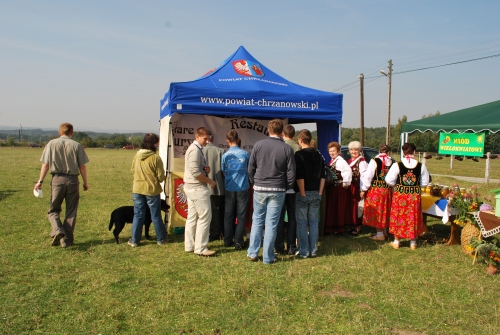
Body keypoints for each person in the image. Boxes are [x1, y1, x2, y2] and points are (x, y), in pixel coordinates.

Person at [247, 119, 296, 264]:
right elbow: (291, 172)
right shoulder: (287, 148)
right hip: (278, 189)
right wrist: (286, 186)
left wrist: (254, 182)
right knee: (271, 223)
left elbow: (251, 168)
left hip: (260, 188)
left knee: (257, 221)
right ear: (282, 132)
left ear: (268, 130)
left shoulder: (258, 145)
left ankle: (253, 253)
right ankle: (268, 257)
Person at [34, 122, 89, 248]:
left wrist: (40, 181)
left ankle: (58, 230)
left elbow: (45, 164)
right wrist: (85, 182)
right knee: (71, 210)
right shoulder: (77, 145)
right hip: (73, 180)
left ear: (59, 132)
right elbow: (82, 166)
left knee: (53, 210)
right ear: (72, 132)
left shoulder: (51, 144)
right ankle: (66, 240)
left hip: (57, 179)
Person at [385, 142, 430, 250]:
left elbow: (388, 180)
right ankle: (413, 242)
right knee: (412, 216)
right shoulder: (421, 166)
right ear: (414, 152)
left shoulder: (397, 165)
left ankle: (396, 241)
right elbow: (425, 183)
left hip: (400, 194)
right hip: (414, 195)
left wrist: (397, 185)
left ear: (403, 152)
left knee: (398, 216)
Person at [128, 133, 167, 247]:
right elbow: (160, 177)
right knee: (155, 215)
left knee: (138, 214)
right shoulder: (155, 158)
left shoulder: (137, 155)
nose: (157, 145)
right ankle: (161, 239)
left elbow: (132, 170)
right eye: (157, 143)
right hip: (151, 190)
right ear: (153, 144)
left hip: (137, 189)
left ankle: (135, 240)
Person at [183, 127, 217, 256]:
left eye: (209, 138)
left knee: (192, 217)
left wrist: (205, 168)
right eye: (205, 138)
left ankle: (190, 245)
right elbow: (195, 173)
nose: (207, 141)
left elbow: (197, 170)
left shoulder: (197, 149)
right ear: (197, 136)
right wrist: (210, 181)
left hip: (192, 187)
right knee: (204, 217)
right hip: (197, 187)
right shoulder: (195, 150)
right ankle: (201, 248)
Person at [294, 129, 326, 258]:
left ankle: (304, 251)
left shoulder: (299, 155)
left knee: (301, 223)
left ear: (300, 140)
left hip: (304, 192)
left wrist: (302, 193)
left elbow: (299, 176)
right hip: (316, 192)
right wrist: (320, 192)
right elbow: (323, 175)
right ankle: (313, 250)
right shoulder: (319, 155)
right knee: (313, 222)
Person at [221, 130, 250, 250]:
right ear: (238, 140)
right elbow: (250, 170)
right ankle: (238, 241)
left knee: (228, 215)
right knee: (241, 215)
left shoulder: (225, 156)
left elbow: (223, 171)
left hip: (229, 187)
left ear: (227, 141)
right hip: (243, 187)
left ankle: (227, 240)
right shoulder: (246, 154)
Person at [360, 144, 395, 240]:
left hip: (376, 190)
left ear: (380, 151)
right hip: (387, 190)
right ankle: (384, 231)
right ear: (389, 152)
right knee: (385, 209)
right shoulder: (392, 161)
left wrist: (364, 189)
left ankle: (379, 234)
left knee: (377, 210)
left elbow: (368, 176)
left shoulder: (374, 161)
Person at [275, 124, 301, 255]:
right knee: (292, 218)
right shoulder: (298, 148)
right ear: (294, 135)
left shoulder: (279, 147)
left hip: (279, 187)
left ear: (283, 134)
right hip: (294, 187)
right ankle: (291, 245)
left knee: (279, 218)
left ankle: (279, 247)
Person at [324, 142, 352, 235]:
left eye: (333, 151)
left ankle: (338, 228)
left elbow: (347, 171)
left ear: (338, 151)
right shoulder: (333, 160)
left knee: (337, 208)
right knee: (333, 207)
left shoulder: (340, 161)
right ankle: (332, 228)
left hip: (338, 188)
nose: (332, 153)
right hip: (333, 188)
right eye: (330, 151)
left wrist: (345, 182)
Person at [202, 135, 225, 241]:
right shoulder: (221, 151)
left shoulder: (200, 151)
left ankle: (209, 232)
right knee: (218, 211)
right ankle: (218, 231)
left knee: (206, 212)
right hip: (219, 187)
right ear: (213, 140)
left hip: (204, 186)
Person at [346, 141, 368, 235]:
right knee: (351, 206)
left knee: (358, 206)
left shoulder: (362, 161)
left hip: (357, 186)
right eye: (351, 150)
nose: (353, 152)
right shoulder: (350, 160)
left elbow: (364, 176)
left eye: (355, 150)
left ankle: (358, 226)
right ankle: (352, 224)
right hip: (351, 187)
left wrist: (362, 190)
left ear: (359, 150)